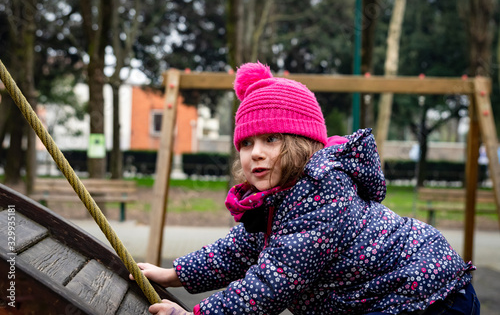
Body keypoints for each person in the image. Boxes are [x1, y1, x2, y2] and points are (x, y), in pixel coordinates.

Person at [132, 62, 480, 315]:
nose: (256, 152)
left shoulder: (322, 194)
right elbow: (237, 251)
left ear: (302, 145)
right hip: (389, 297)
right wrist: (173, 274)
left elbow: (273, 283)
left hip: (430, 297)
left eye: (271, 139)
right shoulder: (278, 201)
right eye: (247, 142)